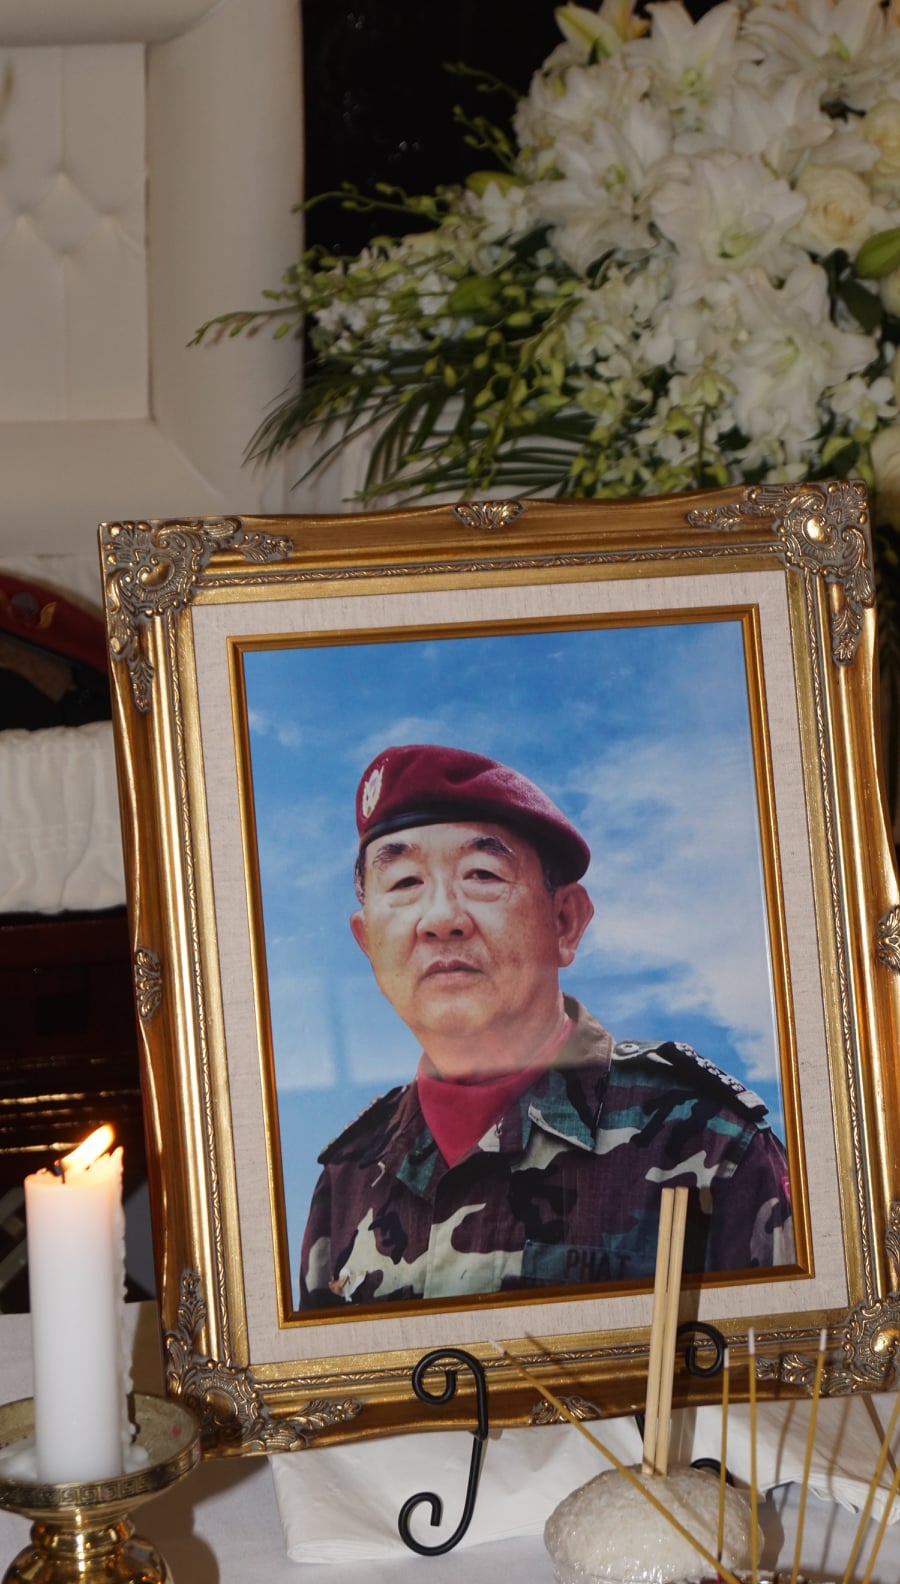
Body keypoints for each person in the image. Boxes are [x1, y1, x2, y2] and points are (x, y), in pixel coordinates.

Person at [299, 744, 794, 1308]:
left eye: (482, 874)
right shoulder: (348, 1176)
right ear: (367, 941)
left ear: (564, 922)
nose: (440, 919)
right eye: (405, 882)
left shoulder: (709, 1142)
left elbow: (791, 1361)